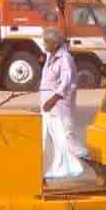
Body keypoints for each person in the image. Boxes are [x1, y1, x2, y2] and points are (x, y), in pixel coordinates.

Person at [38, 27, 87, 182]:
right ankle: (53, 171)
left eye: (46, 42)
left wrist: (53, 100)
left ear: (54, 43)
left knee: (68, 139)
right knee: (50, 140)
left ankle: (95, 166)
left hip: (58, 107)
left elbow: (67, 83)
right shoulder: (51, 55)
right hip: (48, 107)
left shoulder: (65, 59)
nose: (44, 45)